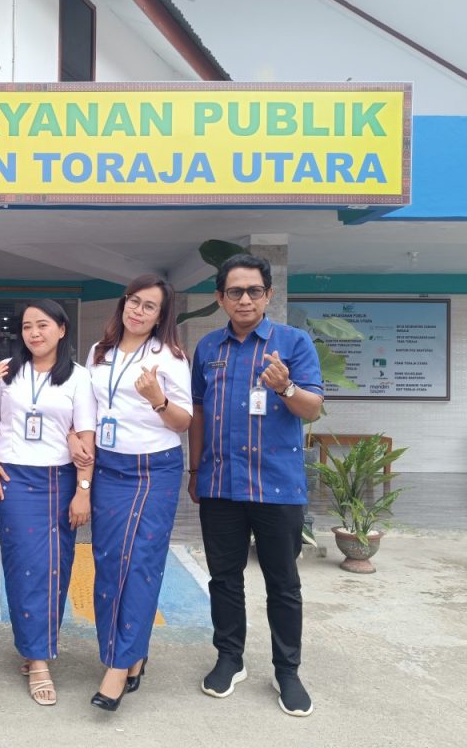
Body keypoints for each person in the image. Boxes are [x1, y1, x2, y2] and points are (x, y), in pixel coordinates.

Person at [188, 254, 323, 717]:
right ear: (220, 297)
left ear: (268, 295)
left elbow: (312, 408)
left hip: (277, 487)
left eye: (253, 291)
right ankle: (230, 658)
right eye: (234, 291)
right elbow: (198, 411)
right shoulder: (208, 348)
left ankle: (287, 671)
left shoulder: (293, 342)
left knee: (282, 584)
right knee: (224, 579)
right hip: (220, 484)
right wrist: (195, 471)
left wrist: (286, 387)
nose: (244, 299)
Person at [80, 275, 192, 711]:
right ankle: (131, 652)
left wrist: (157, 399)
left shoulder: (171, 357)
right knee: (109, 562)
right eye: (134, 301)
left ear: (161, 316)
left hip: (153, 468)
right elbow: (90, 409)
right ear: (123, 303)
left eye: (149, 306)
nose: (138, 311)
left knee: (140, 562)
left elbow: (183, 422)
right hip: (109, 466)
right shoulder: (99, 351)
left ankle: (117, 663)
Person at [0, 299, 96, 707]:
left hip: (59, 479)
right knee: (23, 566)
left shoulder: (78, 378)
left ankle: (37, 648)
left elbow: (85, 437)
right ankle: (38, 658)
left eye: (42, 325)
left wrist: (83, 490)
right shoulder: (7, 372)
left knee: (55, 568)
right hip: (13, 479)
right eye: (27, 326)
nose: (34, 333)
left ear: (62, 329)